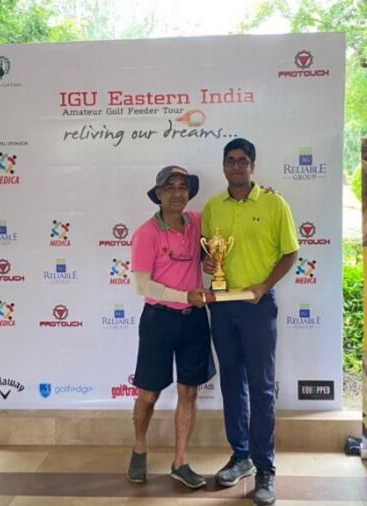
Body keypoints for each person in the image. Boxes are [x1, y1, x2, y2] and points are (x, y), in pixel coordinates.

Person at [202, 138, 299, 506]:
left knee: (260, 387)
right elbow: (207, 250)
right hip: (222, 306)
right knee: (231, 382)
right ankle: (240, 456)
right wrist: (209, 264)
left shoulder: (275, 203)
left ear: (253, 166)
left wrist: (264, 286)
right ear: (224, 166)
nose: (237, 166)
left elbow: (290, 253)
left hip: (257, 305)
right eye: (230, 160)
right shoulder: (212, 207)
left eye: (243, 161)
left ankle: (265, 469)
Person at [127, 165, 215, 489]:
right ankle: (139, 447)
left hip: (193, 321)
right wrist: (184, 295)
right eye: (170, 187)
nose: (178, 192)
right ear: (159, 194)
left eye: (183, 186)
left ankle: (180, 461)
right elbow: (142, 285)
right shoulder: (146, 233)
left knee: (189, 391)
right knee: (149, 394)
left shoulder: (199, 222)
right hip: (159, 320)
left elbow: (229, 226)